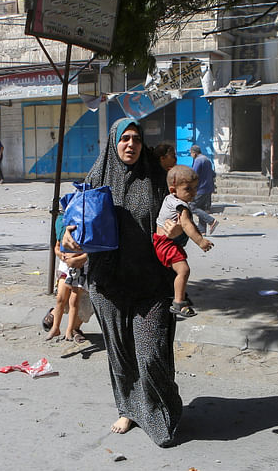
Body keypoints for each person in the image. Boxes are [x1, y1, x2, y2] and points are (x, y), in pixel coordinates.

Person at [61, 117, 182, 447]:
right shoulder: (97, 178)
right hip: (109, 284)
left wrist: (179, 233)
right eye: (125, 138)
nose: (131, 144)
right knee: (122, 355)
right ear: (113, 144)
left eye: (137, 139)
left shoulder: (157, 179)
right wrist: (68, 239)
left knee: (151, 353)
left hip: (152, 283)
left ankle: (162, 412)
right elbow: (70, 222)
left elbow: (178, 221)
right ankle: (129, 409)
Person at [154, 164, 214, 318]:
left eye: (195, 188)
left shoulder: (170, 199)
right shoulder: (181, 206)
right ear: (174, 190)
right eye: (188, 189)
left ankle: (178, 297)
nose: (193, 193)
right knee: (184, 270)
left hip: (162, 241)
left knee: (178, 271)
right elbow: (186, 224)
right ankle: (178, 302)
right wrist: (200, 241)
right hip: (166, 244)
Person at [47, 213, 92, 343]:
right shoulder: (64, 229)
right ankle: (56, 327)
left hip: (81, 269)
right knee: (61, 297)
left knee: (74, 301)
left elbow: (90, 251)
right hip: (66, 268)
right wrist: (62, 256)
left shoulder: (86, 231)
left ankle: (71, 330)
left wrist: (78, 259)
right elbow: (57, 247)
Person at [189, 145, 219, 235]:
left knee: (192, 207)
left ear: (194, 153)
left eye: (191, 153)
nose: (190, 155)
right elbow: (213, 174)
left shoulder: (198, 160)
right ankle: (202, 230)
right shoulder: (206, 159)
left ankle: (211, 221)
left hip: (200, 189)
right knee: (201, 208)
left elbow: (194, 174)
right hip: (208, 188)